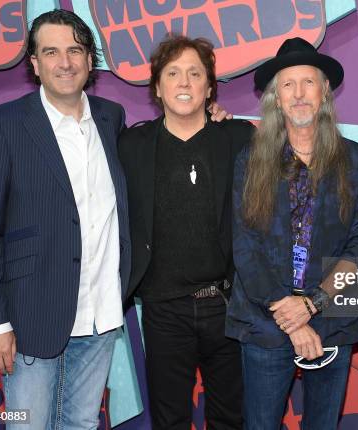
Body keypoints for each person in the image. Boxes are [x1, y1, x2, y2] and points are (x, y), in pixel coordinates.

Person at [0, 9, 130, 429]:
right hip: (29, 318)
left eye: (75, 50)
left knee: (82, 424)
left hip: (101, 314)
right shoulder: (4, 124)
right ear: (35, 64)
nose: (65, 62)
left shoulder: (112, 118)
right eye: (51, 52)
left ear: (90, 60)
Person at [225, 37, 358, 429]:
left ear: (324, 90)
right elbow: (244, 245)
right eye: (288, 84)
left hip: (332, 316)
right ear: (276, 97)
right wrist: (289, 316)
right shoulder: (250, 160)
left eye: (308, 82)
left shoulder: (355, 159)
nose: (298, 94)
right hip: (265, 320)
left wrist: (312, 304)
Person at [118, 35, 252, 430]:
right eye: (172, 73)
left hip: (228, 304)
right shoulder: (131, 145)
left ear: (209, 88)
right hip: (163, 308)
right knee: (170, 419)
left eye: (195, 74)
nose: (184, 82)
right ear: (157, 87)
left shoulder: (238, 138)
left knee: (230, 418)